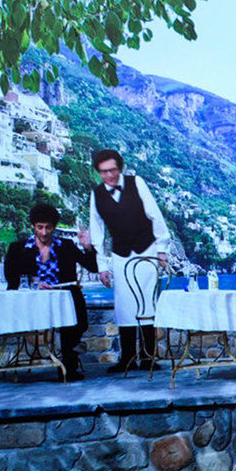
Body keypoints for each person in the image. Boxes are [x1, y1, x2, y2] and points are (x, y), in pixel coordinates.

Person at [87, 148, 172, 373]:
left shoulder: (137, 183)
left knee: (147, 301)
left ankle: (148, 357)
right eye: (104, 172)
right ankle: (127, 358)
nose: (109, 176)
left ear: (120, 168)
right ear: (98, 172)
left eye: (113, 170)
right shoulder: (96, 195)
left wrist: (161, 248)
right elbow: (97, 232)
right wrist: (102, 266)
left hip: (147, 249)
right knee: (124, 305)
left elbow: (155, 215)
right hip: (120, 254)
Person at [4, 202, 99, 381]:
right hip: (33, 299)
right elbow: (11, 277)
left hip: (63, 296)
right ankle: (66, 359)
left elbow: (93, 267)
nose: (44, 232)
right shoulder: (18, 248)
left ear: (54, 227)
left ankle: (69, 364)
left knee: (77, 318)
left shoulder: (67, 246)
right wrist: (34, 282)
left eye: (48, 227)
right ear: (33, 226)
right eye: (40, 227)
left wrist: (87, 247)